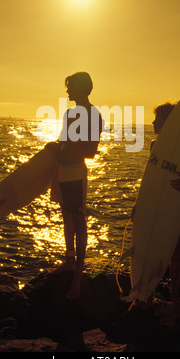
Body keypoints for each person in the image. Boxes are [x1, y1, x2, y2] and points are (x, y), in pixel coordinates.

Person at [133, 102, 180, 305]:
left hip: (172, 205)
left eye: (157, 119)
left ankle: (175, 296)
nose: (152, 122)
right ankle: (146, 294)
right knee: (150, 247)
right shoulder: (154, 146)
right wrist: (138, 205)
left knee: (174, 251)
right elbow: (149, 178)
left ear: (169, 122)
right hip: (153, 203)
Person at [50, 72, 103, 300]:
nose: (68, 91)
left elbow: (91, 151)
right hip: (61, 172)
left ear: (82, 88)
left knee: (79, 222)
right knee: (66, 217)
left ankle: (78, 280)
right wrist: (54, 149)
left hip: (75, 175)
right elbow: (63, 142)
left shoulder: (93, 115)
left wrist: (66, 151)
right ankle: (69, 261)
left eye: (71, 87)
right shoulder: (70, 114)